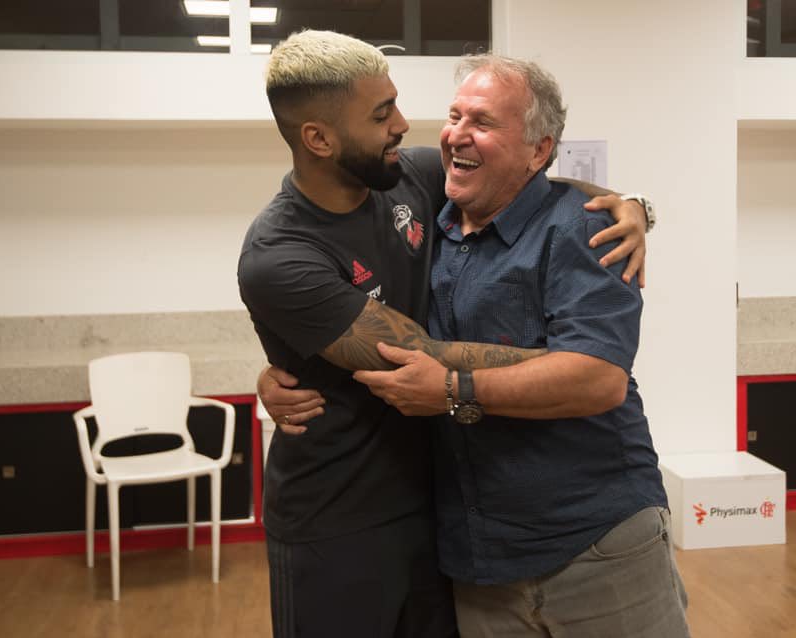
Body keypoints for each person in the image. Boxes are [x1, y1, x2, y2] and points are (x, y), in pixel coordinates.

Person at [239, 30, 651, 638]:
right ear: (319, 138)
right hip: (336, 522)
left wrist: (633, 204)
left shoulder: (408, 176)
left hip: (440, 515)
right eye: (382, 114)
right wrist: (572, 366)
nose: (406, 125)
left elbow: (534, 182)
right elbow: (415, 356)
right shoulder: (279, 254)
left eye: (397, 104)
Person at [349, 56, 690, 637]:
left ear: (538, 150)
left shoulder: (582, 229)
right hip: (480, 562)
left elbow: (598, 377)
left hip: (596, 544)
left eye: (482, 122)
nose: (456, 134)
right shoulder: (429, 226)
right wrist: (282, 369)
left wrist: (452, 391)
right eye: (454, 115)